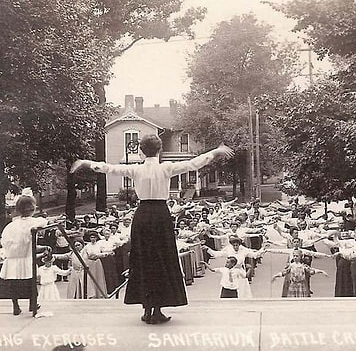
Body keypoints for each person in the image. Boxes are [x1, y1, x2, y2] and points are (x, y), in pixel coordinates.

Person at [71, 134, 234, 324]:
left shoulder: (136, 169)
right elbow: (193, 164)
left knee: (142, 259)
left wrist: (85, 162)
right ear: (160, 150)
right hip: (160, 216)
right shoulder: (166, 168)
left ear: (141, 151)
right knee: (162, 259)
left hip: (142, 215)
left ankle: (147, 308)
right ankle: (157, 308)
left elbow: (109, 168)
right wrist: (216, 151)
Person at [0, 194, 50, 316]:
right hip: (26, 257)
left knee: (14, 284)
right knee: (31, 282)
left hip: (12, 258)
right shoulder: (33, 222)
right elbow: (44, 221)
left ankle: (15, 306)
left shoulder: (11, 225)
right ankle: (32, 303)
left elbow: (4, 242)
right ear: (33, 209)